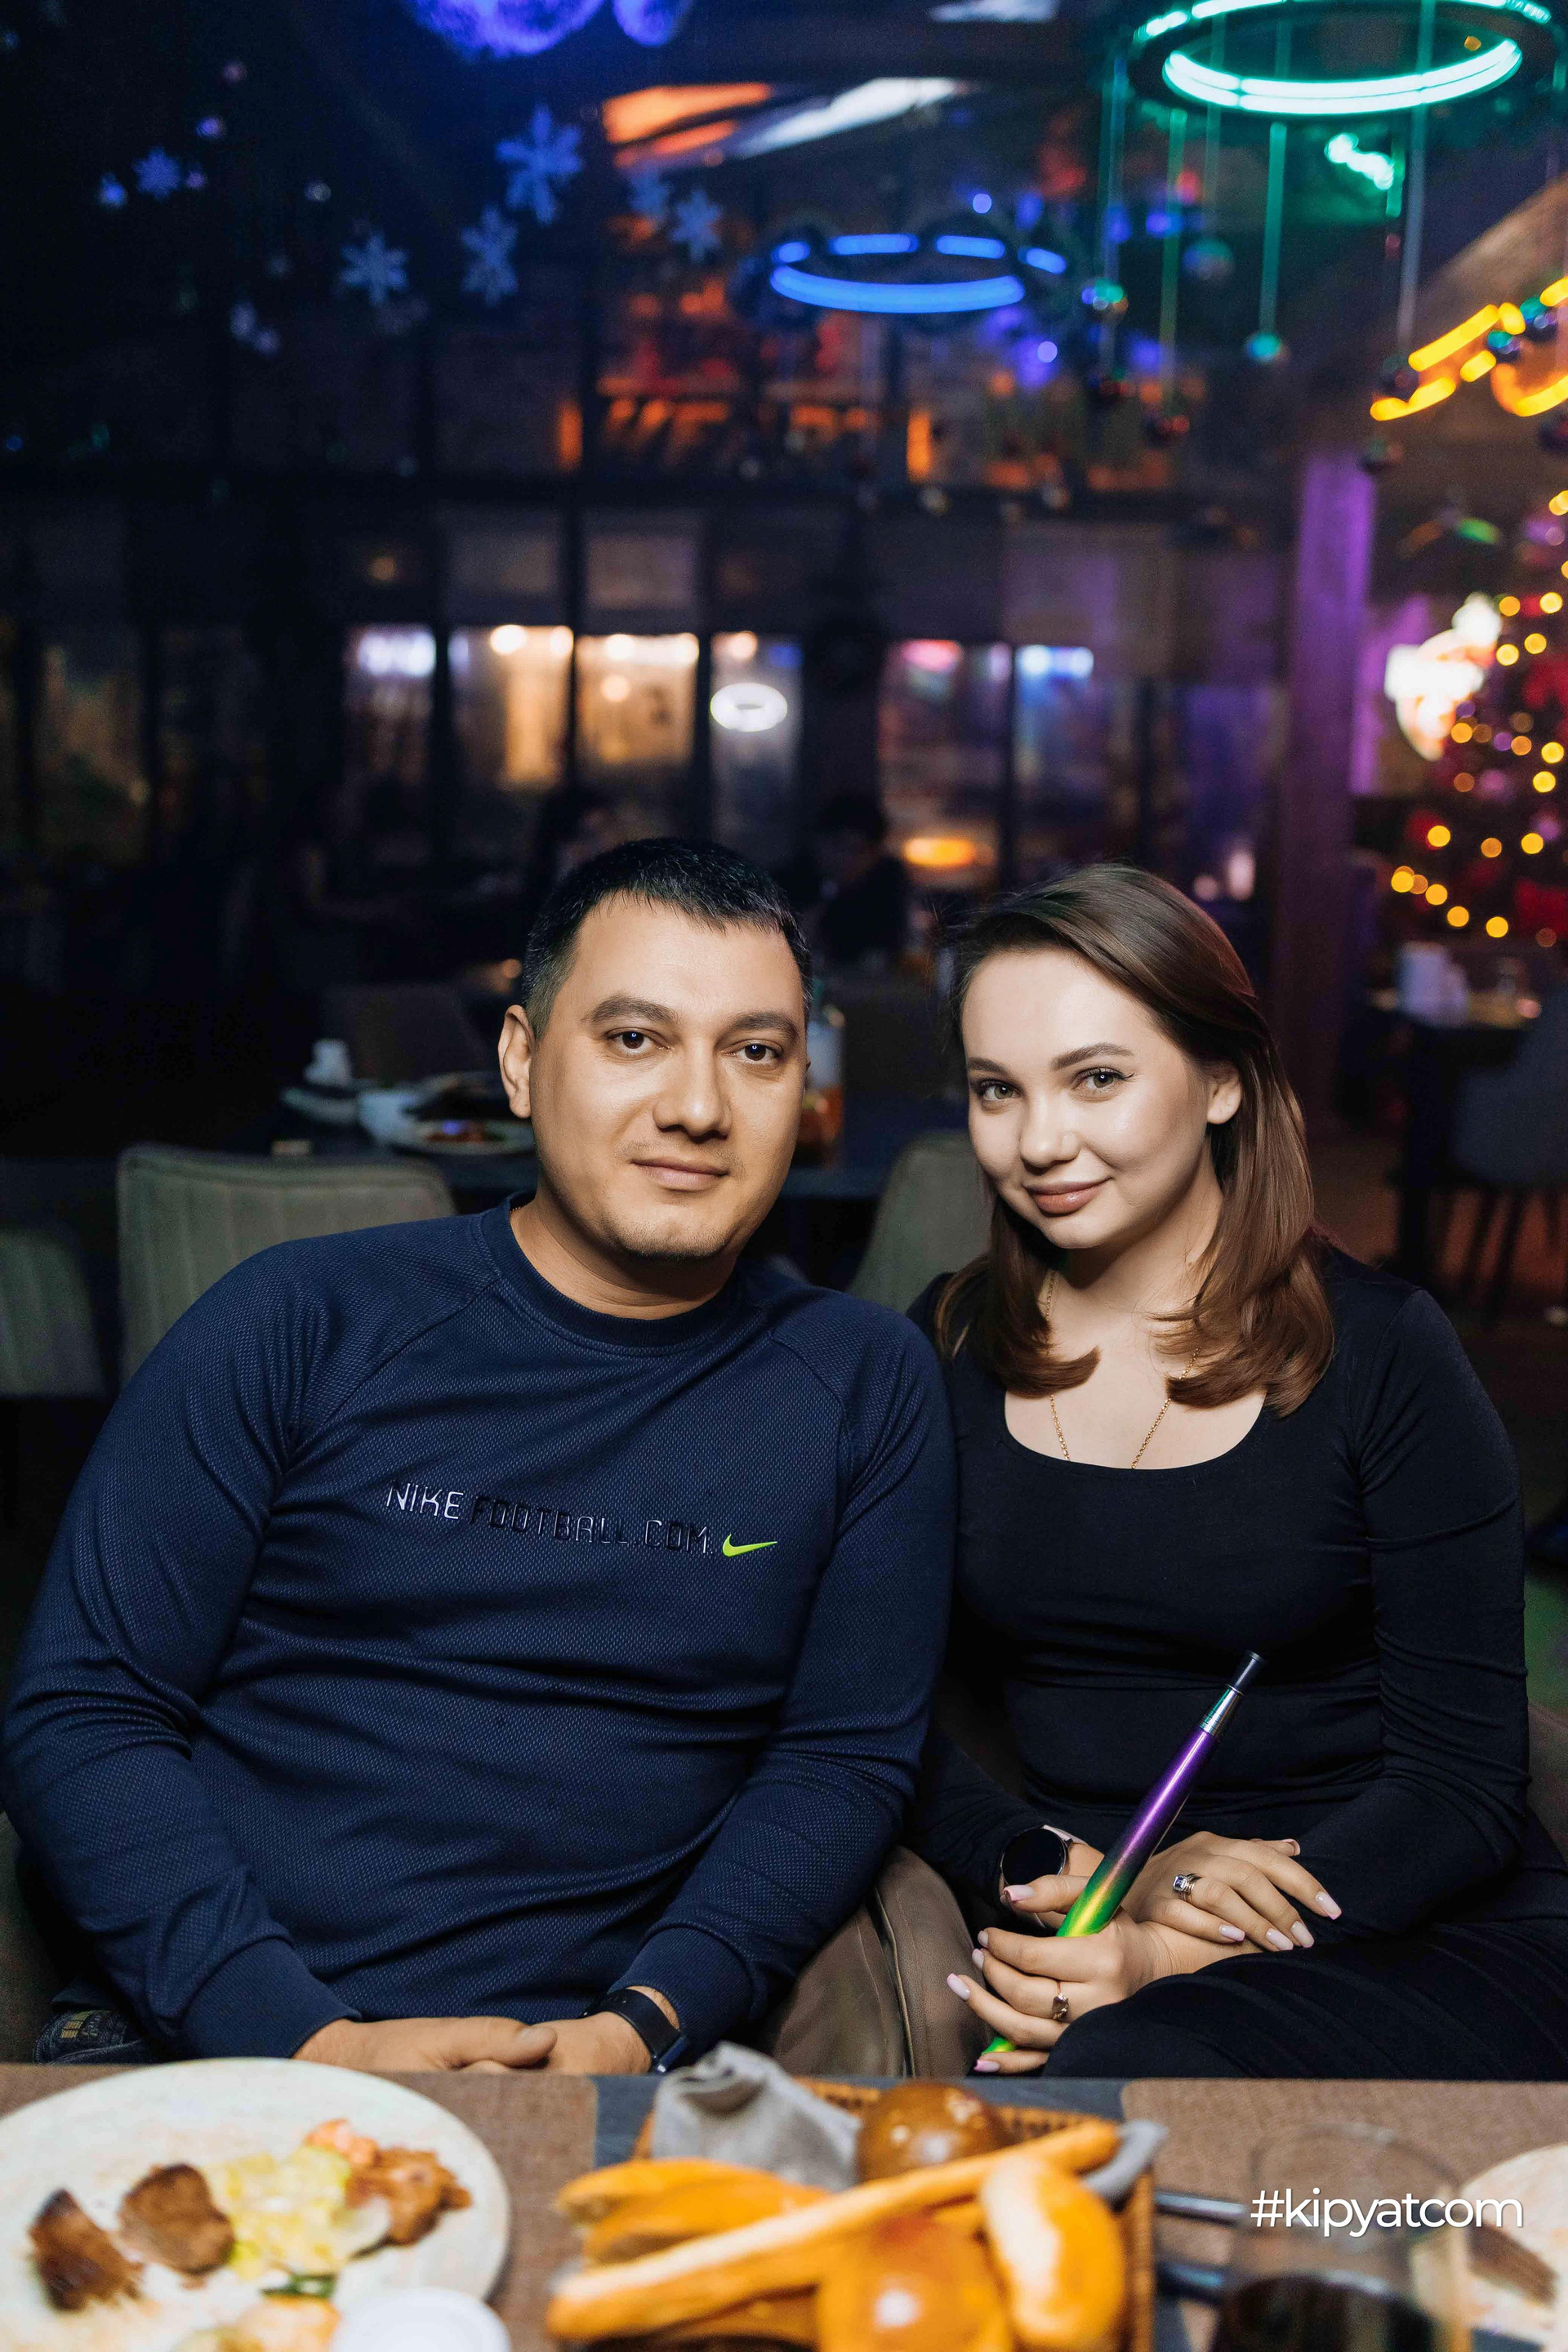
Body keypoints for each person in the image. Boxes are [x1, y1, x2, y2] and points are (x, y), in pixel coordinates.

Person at [2, 838, 952, 2077]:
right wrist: (300, 2039)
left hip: (601, 2063)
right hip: (209, 2044)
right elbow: (86, 1709)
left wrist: (644, 2026)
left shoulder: (864, 1382)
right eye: (634, 1038)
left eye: (756, 1052)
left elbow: (838, 1762)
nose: (698, 1106)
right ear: (520, 1059)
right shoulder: (299, 1319)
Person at [906, 862, 1568, 2078]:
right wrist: (1067, 1876)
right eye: (999, 1089)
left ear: (1221, 1080)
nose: (1040, 1141)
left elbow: (1465, 1784)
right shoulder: (943, 1347)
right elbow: (873, 1711)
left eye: (1097, 1078)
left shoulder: (1385, 1353)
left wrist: (1177, 1947)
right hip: (1105, 1920)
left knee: (1125, 2070)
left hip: (1401, 1923)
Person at [808, 792, 911, 973]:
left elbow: (889, 950)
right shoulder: (792, 884)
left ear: (875, 855)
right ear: (819, 842)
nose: (846, 859)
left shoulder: (886, 888)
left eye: (858, 850)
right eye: (839, 846)